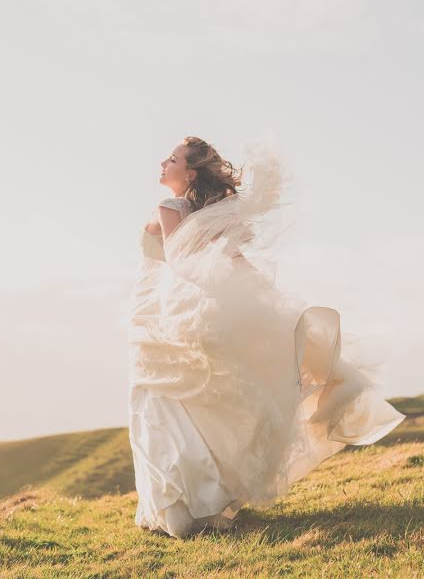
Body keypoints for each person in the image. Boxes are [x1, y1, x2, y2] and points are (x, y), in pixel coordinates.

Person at [128, 135, 405, 538]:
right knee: (176, 405)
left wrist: (240, 292)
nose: (162, 163)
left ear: (189, 173)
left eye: (171, 159)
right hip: (168, 306)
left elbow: (178, 260)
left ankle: (177, 508)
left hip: (158, 309)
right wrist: (258, 292)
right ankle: (193, 502)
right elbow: (228, 258)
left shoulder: (172, 207)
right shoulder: (198, 212)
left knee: (156, 405)